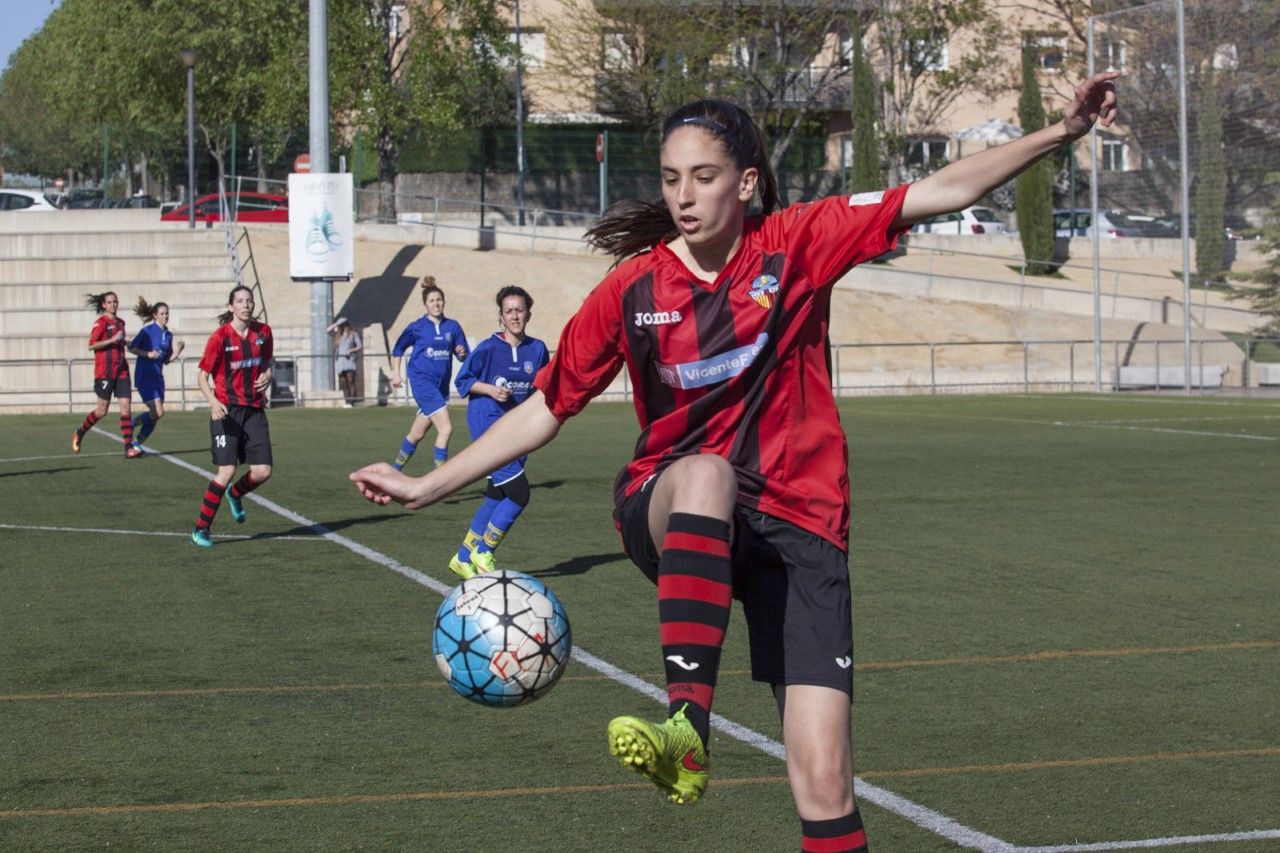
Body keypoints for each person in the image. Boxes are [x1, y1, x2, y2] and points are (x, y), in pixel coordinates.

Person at [352, 72, 1120, 851]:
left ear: (747, 183)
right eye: (671, 179)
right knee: (709, 469)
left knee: (824, 782)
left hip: (799, 527)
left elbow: (943, 189)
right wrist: (427, 484)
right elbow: (547, 406)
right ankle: (687, 723)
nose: (684, 195)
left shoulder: (798, 245)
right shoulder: (633, 288)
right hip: (677, 507)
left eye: (705, 176)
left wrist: (1061, 134)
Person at [447, 286, 550, 579]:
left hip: (519, 428)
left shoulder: (538, 349)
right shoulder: (488, 349)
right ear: (501, 317)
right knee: (520, 494)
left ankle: (463, 557)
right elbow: (463, 380)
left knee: (496, 495)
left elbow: (543, 385)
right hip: (488, 424)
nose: (514, 316)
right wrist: (491, 389)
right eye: (509, 311)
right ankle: (485, 551)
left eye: (519, 310)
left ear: (528, 312)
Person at [190, 285, 274, 548]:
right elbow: (202, 376)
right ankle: (201, 529)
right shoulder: (219, 338)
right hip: (226, 411)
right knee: (225, 471)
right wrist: (213, 401)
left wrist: (268, 375)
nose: (246, 305)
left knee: (262, 472)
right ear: (231, 307)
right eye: (240, 301)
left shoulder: (263, 333)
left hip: (254, 410)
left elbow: (267, 363)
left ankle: (235, 494)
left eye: (249, 300)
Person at [388, 277, 469, 470]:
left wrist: (461, 353)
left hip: (440, 388)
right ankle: (440, 478)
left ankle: (394, 470)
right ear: (425, 305)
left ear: (444, 301)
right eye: (432, 301)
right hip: (422, 382)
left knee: (416, 434)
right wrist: (396, 373)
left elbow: (464, 354)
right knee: (446, 428)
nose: (436, 303)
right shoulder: (417, 327)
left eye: (439, 299)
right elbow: (398, 348)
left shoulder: (453, 327)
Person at [73, 291, 143, 459]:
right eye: (110, 302)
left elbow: (119, 342)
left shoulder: (121, 323)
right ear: (104, 305)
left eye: (115, 302)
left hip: (122, 371)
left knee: (126, 408)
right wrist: (112, 341)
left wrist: (126, 342)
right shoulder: (100, 323)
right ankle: (80, 431)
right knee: (101, 411)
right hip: (104, 372)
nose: (113, 305)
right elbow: (91, 346)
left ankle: (128, 448)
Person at [127, 297, 185, 452]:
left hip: (158, 378)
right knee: (158, 412)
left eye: (167, 313)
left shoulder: (168, 335)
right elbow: (131, 348)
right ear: (155, 315)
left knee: (156, 416)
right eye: (162, 313)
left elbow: (165, 360)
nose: (166, 316)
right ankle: (130, 424)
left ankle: (137, 444)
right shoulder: (147, 331)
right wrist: (147, 354)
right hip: (145, 376)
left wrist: (178, 351)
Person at [329, 317, 363, 407]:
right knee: (343, 382)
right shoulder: (338, 335)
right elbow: (327, 330)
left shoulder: (353, 334)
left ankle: (352, 402)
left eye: (342, 325)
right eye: (340, 325)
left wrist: (351, 350)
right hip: (340, 360)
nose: (341, 327)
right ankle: (346, 401)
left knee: (350, 380)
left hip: (349, 360)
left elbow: (359, 346)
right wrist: (336, 324)